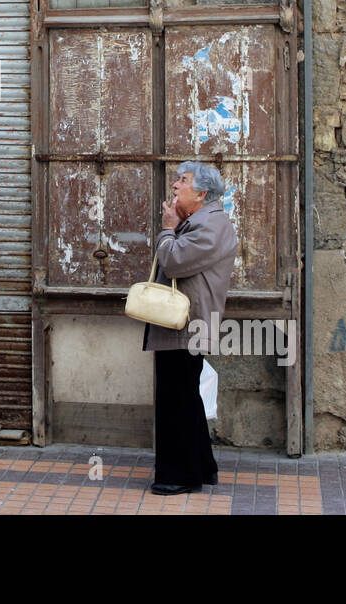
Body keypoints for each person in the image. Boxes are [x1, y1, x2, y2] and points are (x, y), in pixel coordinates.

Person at [141, 162, 237, 495]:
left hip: (187, 327)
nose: (175, 186)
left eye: (183, 181)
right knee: (184, 398)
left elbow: (173, 261)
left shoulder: (211, 225)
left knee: (175, 401)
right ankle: (201, 467)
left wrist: (168, 228)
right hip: (181, 326)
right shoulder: (199, 222)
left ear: (202, 193)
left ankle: (178, 476)